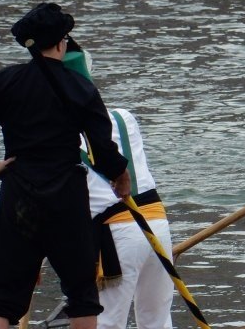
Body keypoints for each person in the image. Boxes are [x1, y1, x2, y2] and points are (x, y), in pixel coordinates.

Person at [0, 2, 131, 329]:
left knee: (0, 300)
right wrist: (121, 177)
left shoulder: (6, 82)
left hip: (19, 194)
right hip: (67, 196)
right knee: (81, 294)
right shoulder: (80, 86)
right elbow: (103, 148)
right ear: (62, 42)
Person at [62, 49, 174, 329]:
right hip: (156, 225)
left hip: (117, 233)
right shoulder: (124, 117)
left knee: (108, 322)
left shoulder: (60, 135)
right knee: (157, 320)